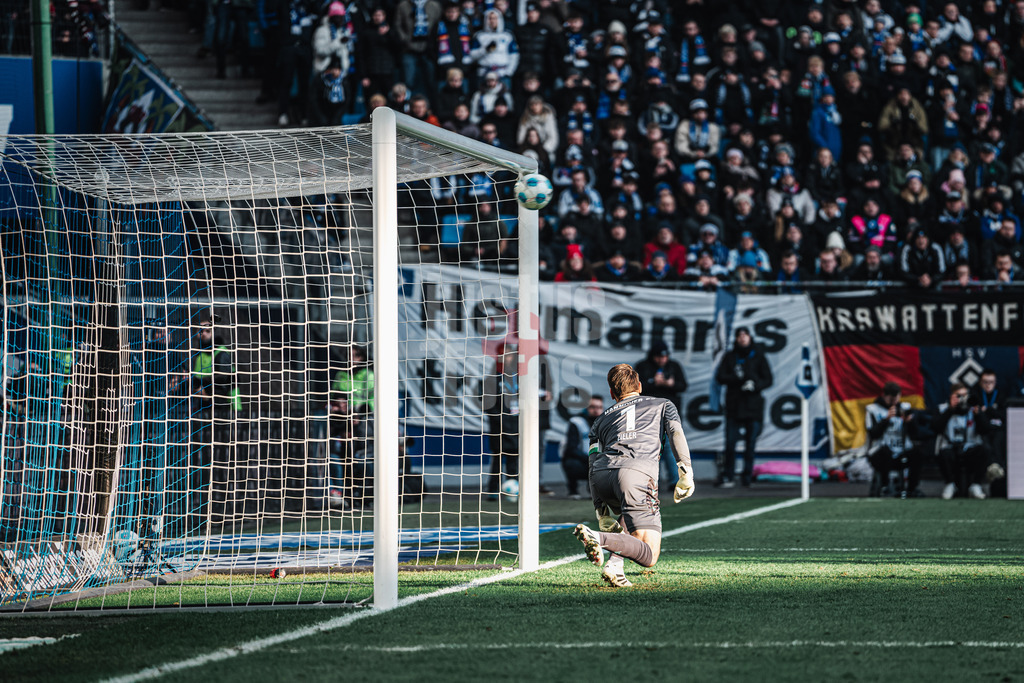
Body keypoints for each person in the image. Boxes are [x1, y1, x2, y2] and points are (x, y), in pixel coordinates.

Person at [572, 363, 695, 588]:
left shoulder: (599, 420)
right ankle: (597, 538)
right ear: (639, 385)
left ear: (612, 393)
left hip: (602, 476)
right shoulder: (663, 404)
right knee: (649, 555)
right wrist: (685, 471)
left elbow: (592, 461)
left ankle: (615, 567)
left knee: (629, 513)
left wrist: (600, 508)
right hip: (634, 475)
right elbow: (676, 432)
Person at [713, 326, 773, 487]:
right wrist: (736, 378)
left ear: (750, 337)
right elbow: (720, 377)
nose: (742, 338)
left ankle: (747, 477)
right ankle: (729, 475)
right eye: (739, 335)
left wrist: (755, 384)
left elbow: (768, 379)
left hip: (753, 408)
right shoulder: (730, 356)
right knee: (730, 443)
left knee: (750, 444)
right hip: (734, 406)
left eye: (745, 335)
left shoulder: (758, 356)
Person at [865, 381, 925, 497]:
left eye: (896, 398)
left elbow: (916, 434)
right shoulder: (873, 409)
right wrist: (886, 419)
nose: (894, 402)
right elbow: (873, 434)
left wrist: (909, 422)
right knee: (885, 452)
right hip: (880, 453)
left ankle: (912, 488)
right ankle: (885, 486)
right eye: (891, 399)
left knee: (918, 453)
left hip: (901, 451)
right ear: (884, 396)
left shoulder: (904, 408)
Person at [935, 383, 990, 500]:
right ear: (952, 396)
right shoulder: (943, 408)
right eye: (959, 396)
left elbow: (986, 429)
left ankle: (975, 485)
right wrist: (950, 409)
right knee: (943, 453)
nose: (962, 399)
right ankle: (950, 484)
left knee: (984, 450)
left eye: (965, 395)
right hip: (950, 448)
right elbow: (935, 428)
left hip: (969, 448)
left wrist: (978, 415)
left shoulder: (973, 409)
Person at [561, 394, 603, 499]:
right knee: (571, 462)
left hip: (598, 460)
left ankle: (595, 492)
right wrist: (589, 458)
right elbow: (571, 448)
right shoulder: (577, 422)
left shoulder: (605, 423)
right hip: (581, 460)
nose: (596, 410)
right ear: (586, 408)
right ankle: (573, 490)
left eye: (599, 407)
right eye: (593, 407)